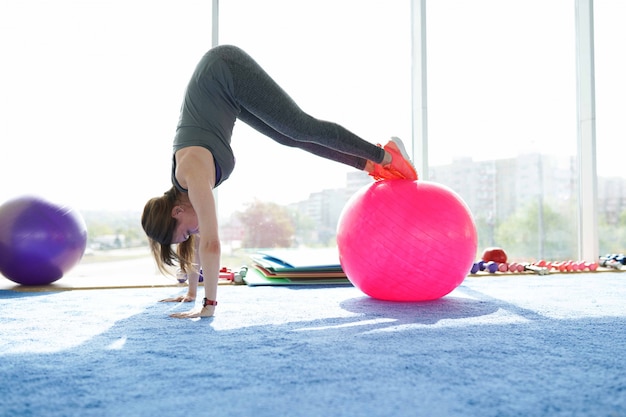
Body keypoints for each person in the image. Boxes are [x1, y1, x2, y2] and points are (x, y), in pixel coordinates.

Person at [141, 45, 417, 319]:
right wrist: (191, 293)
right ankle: (370, 164)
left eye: (185, 231)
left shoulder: (192, 173)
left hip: (223, 68)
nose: (193, 233)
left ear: (176, 212)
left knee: (299, 126)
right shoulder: (184, 196)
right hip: (225, 90)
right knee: (289, 137)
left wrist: (208, 306)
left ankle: (386, 155)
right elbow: (195, 244)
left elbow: (211, 244)